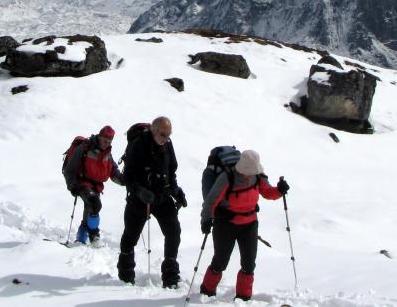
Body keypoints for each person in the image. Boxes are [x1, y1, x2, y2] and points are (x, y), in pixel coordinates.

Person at [199, 149, 289, 302]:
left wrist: (279, 191)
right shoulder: (227, 177)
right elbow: (211, 200)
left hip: (250, 224)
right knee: (220, 261)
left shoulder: (258, 176)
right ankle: (206, 291)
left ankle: (243, 298)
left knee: (249, 263)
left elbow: (267, 192)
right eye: (248, 171)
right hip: (226, 224)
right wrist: (206, 219)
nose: (250, 174)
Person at [117, 116, 187, 288]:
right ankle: (126, 276)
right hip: (139, 199)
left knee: (174, 232)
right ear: (154, 130)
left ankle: (170, 276)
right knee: (130, 236)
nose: (166, 138)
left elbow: (171, 171)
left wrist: (176, 191)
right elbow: (128, 176)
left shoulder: (167, 145)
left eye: (168, 135)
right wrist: (140, 191)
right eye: (163, 134)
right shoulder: (138, 145)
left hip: (162, 197)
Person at [62, 125, 125, 247]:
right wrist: (72, 186)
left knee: (91, 208)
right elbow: (70, 169)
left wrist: (125, 181)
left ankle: (81, 237)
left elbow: (113, 172)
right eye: (104, 140)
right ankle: (94, 235)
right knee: (94, 204)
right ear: (99, 137)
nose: (106, 144)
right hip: (81, 182)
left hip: (96, 185)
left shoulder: (107, 153)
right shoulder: (85, 147)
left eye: (109, 142)